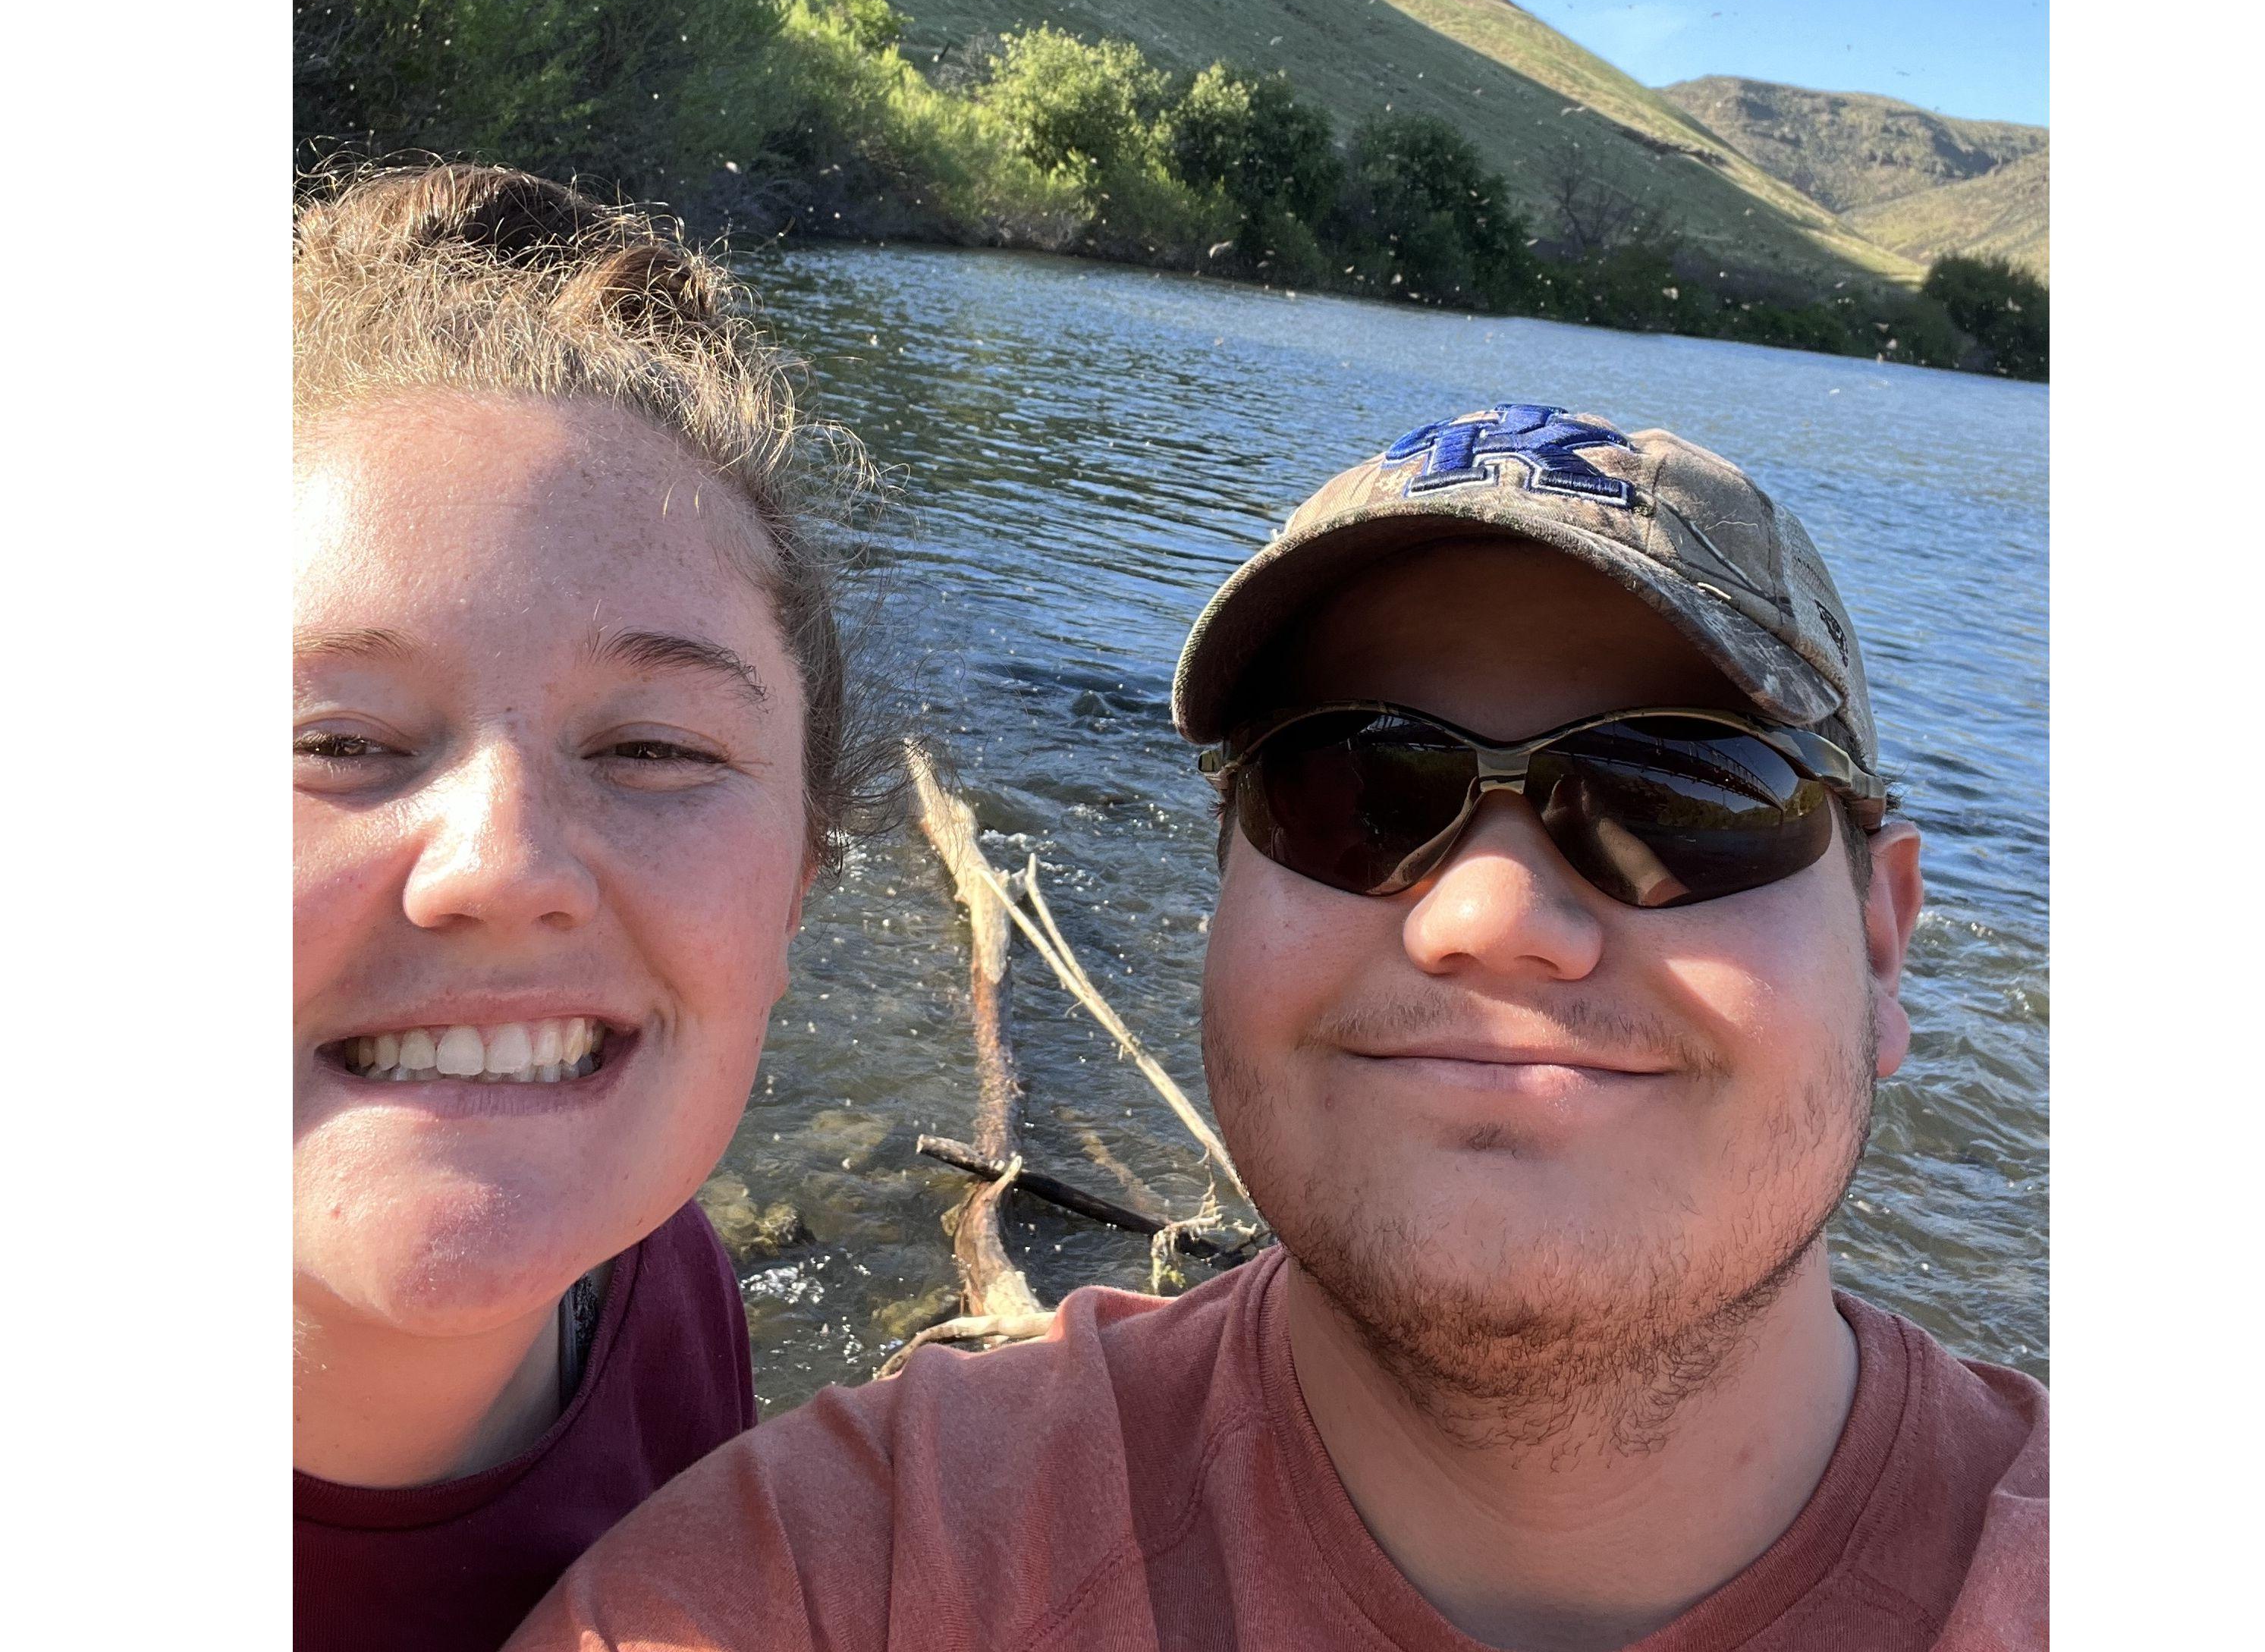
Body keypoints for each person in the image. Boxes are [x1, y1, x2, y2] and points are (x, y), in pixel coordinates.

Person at [514, 401, 2047, 1652]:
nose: (1484, 914)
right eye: (1349, 785)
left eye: (1678, 796)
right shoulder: (834, 1575)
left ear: (1880, 938)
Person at [293, 165, 887, 1652]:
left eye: (653, 751)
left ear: (797, 887)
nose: (499, 865)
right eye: (340, 741)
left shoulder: (666, 1288)